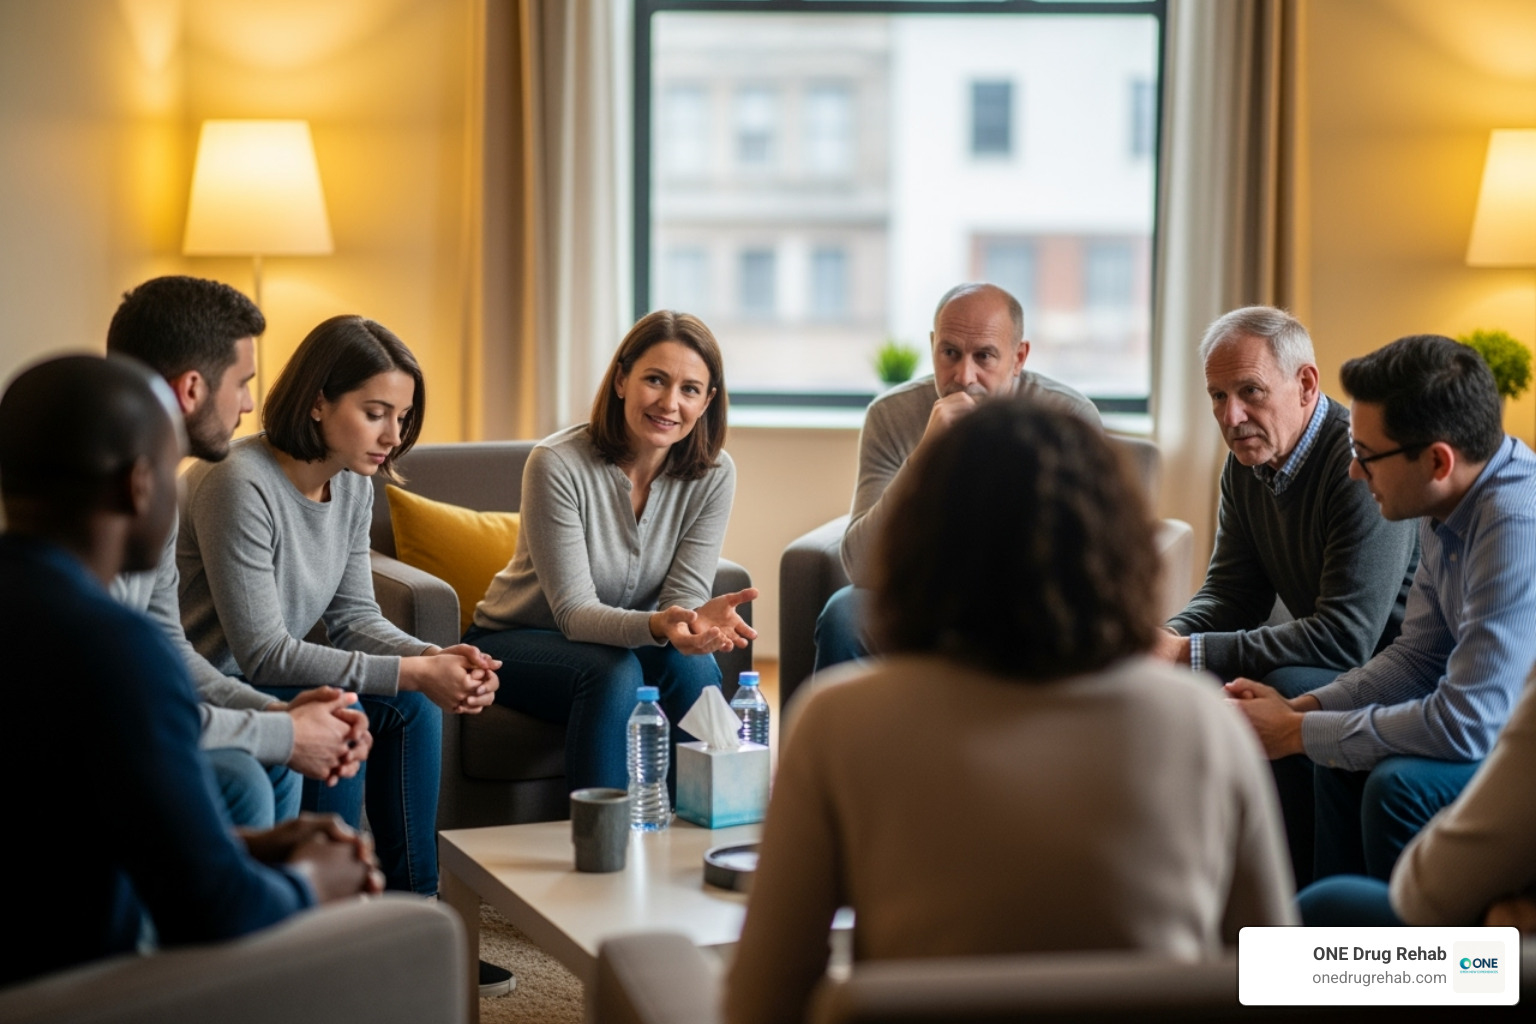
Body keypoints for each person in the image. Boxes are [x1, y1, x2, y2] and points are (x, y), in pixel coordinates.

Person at [725, 401, 1295, 1024]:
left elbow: (761, 1002)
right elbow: (1268, 978)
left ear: (922, 541)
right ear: (1117, 544)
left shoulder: (839, 724)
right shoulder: (1205, 725)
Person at [0, 354, 380, 987]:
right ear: (139, 486)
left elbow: (54, 827)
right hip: (72, 988)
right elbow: (213, 910)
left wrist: (248, 847)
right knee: (419, 940)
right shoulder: (112, 645)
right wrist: (315, 878)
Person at [175, 315, 513, 995]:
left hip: (280, 674)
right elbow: (262, 651)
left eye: (403, 416)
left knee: (409, 704)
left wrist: (436, 657)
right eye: (375, 413)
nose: (393, 435)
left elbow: (355, 618)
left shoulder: (355, 481)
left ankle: (417, 921)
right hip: (225, 684)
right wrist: (414, 670)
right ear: (317, 401)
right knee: (353, 705)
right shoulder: (237, 481)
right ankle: (334, 932)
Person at [1227, 334, 1536, 882]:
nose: (1352, 472)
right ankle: (1341, 939)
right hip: (1493, 724)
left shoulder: (1513, 525)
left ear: (1437, 460)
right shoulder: (1445, 502)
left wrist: (1298, 733)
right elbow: (1417, 658)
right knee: (1335, 761)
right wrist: (1302, 709)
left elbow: (1467, 724)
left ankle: (1407, 957)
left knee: (1395, 787)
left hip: (1514, 744)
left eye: (1366, 457)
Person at [1154, 306, 1419, 885]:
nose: (1232, 415)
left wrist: (1188, 653)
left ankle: (1295, 903)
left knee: (1286, 687)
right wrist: (1167, 638)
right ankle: (1193, 886)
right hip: (1335, 658)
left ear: (1305, 385)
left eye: (1249, 391)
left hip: (1390, 670)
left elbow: (1347, 637)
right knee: (1172, 684)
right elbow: (1230, 593)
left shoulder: (1358, 466)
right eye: (1217, 396)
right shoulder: (1245, 466)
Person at [106, 275, 371, 830]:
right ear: (193, 390)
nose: (250, 405)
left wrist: (278, 714)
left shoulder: (156, 490)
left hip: (146, 716)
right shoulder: (101, 514)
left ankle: (290, 906)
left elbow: (169, 652)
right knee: (249, 773)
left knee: (274, 760)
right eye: (243, 383)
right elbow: (128, 712)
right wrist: (282, 730)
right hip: (97, 739)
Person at [465, 309, 755, 793]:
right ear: (621, 379)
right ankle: (603, 848)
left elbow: (682, 594)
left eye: (689, 389)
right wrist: (656, 626)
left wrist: (691, 622)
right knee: (613, 671)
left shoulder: (714, 473)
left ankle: (712, 825)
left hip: (629, 640)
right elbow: (574, 614)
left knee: (694, 664)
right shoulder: (557, 463)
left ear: (707, 402)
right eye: (655, 380)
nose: (669, 403)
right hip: (519, 640)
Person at [812, 281, 1098, 677]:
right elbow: (860, 565)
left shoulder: (1066, 417)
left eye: (984, 356)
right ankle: (845, 740)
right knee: (844, 614)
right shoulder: (892, 417)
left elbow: (1087, 559)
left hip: (1028, 601)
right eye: (950, 353)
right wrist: (925, 455)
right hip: (928, 596)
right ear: (932, 346)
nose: (964, 376)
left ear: (1018, 357)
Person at [1296, 666, 1536, 930]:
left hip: (1477, 730)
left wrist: (1298, 727)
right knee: (1335, 759)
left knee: (1322, 908)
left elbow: (1425, 893)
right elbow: (1419, 660)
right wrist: (1297, 717)